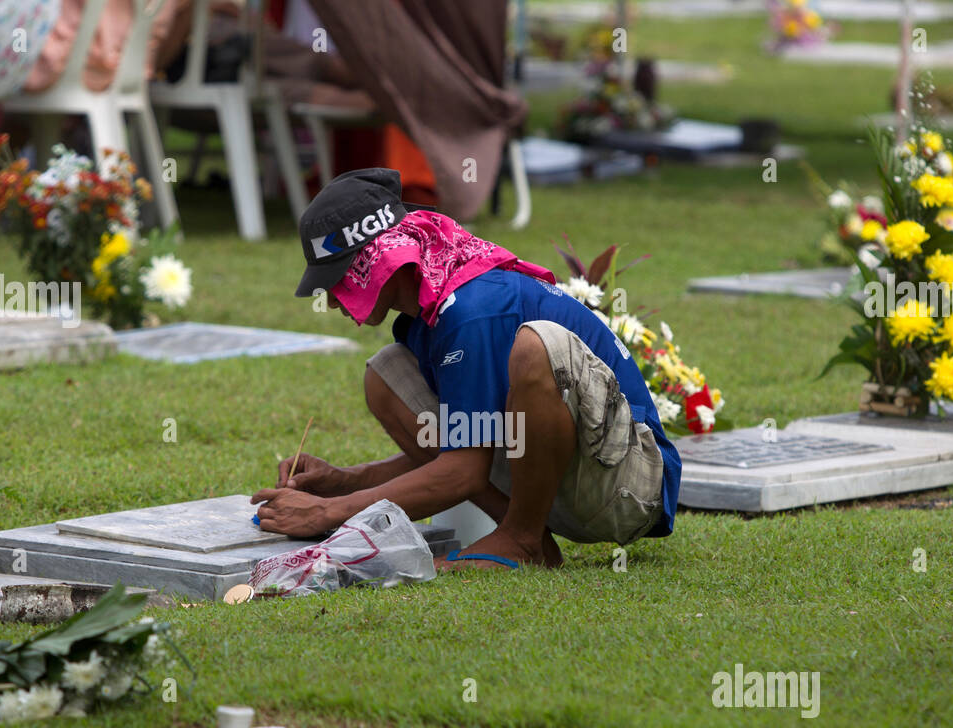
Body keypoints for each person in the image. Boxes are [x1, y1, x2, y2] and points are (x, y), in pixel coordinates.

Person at [252, 168, 681, 569]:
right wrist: (346, 481)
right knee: (386, 374)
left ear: (377, 261)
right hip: (567, 481)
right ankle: (525, 536)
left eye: (338, 278)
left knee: (537, 348)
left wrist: (329, 513)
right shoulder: (431, 313)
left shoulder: (472, 307)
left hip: (627, 486)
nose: (329, 299)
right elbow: (469, 439)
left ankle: (522, 537)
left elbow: (464, 468)